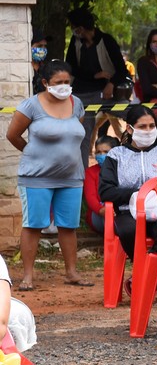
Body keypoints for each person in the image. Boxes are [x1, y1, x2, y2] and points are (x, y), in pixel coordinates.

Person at [6, 60, 91, 291]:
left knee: (68, 226)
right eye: (58, 82)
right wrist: (33, 153)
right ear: (45, 83)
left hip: (71, 177)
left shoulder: (77, 104)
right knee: (34, 225)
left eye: (67, 81)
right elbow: (12, 135)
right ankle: (27, 276)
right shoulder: (31, 106)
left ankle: (72, 272)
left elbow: (74, 132)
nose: (64, 86)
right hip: (36, 177)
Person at [99, 105, 157, 264]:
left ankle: (154, 266)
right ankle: (140, 266)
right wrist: (139, 194)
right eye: (142, 127)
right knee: (129, 230)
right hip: (127, 212)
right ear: (130, 129)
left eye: (152, 126)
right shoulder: (117, 155)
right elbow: (106, 191)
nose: (148, 130)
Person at [65, 7, 130, 167]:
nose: (73, 30)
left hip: (109, 94)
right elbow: (71, 68)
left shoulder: (106, 40)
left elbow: (121, 69)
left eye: (74, 27)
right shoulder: (76, 42)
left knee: (135, 115)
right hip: (83, 94)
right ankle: (82, 180)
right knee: (82, 136)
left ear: (81, 26)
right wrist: (96, 75)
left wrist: (111, 84)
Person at [84, 136, 117, 233]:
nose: (102, 155)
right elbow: (91, 198)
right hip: (98, 213)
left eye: (106, 152)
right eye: (98, 152)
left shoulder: (121, 170)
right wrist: (101, 210)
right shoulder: (90, 172)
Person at [30, 30, 50, 95]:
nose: (43, 49)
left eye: (45, 46)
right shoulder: (22, 68)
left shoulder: (47, 68)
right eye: (39, 46)